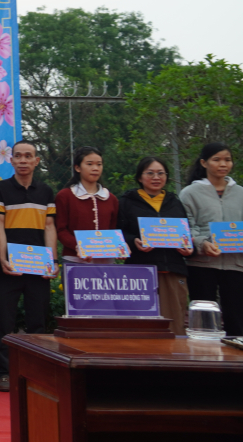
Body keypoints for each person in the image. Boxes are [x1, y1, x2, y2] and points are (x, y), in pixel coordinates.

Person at [0, 140, 57, 392]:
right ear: (11, 160)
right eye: (18, 156)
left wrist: (52, 261)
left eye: (28, 156)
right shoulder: (0, 189)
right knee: (5, 323)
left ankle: (35, 373)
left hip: (38, 268)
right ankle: (5, 373)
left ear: (36, 161)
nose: (23, 160)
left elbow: (49, 227)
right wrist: (2, 258)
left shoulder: (46, 192)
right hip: (9, 268)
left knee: (37, 324)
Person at [119, 156, 191, 335]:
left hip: (172, 270)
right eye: (150, 173)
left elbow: (186, 233)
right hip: (140, 271)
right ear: (140, 177)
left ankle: (174, 354)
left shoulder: (174, 202)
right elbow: (118, 232)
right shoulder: (127, 202)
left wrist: (189, 248)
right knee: (141, 325)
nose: (156, 177)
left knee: (173, 325)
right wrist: (133, 241)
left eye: (161, 173)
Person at [181, 142, 243, 337]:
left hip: (235, 264)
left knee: (236, 317)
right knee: (204, 317)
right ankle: (203, 353)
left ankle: (236, 353)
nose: (223, 164)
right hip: (201, 264)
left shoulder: (241, 193)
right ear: (204, 163)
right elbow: (186, 228)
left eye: (227, 160)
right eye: (216, 160)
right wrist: (201, 243)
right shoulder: (189, 193)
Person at [55, 146, 120, 264]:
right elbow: (61, 230)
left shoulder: (111, 199)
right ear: (77, 168)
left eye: (99, 164)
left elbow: (113, 230)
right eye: (89, 164)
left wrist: (119, 245)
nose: (95, 168)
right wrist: (77, 246)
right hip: (74, 260)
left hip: (105, 261)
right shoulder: (65, 196)